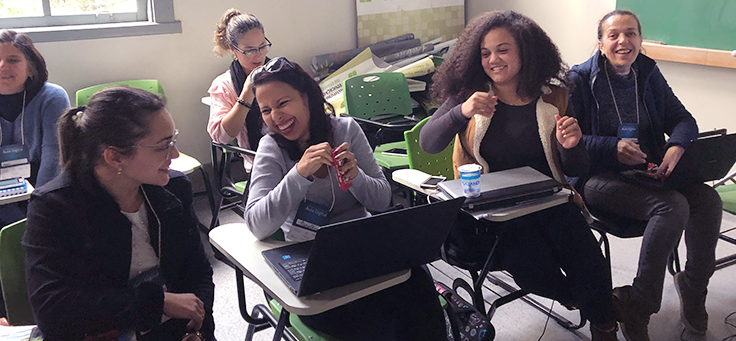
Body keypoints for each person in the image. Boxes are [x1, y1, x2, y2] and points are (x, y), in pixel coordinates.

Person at [420, 11, 619, 340]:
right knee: (532, 268)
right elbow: (429, 143)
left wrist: (570, 146)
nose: (493, 60)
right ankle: (593, 302)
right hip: (496, 211)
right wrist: (463, 111)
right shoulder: (470, 95)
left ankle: (604, 324)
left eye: (503, 49)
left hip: (549, 199)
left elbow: (576, 168)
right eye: (485, 53)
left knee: (586, 255)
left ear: (525, 51)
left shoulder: (554, 96)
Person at [243, 57, 445, 340]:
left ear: (306, 98)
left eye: (282, 103)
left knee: (417, 286)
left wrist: (358, 178)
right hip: (310, 261)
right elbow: (256, 224)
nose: (275, 116)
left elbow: (381, 200)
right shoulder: (271, 148)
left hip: (361, 246)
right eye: (266, 110)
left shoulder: (345, 130)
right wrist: (298, 174)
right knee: (374, 319)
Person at [568, 10, 722, 340]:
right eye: (614, 35)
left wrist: (676, 146)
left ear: (640, 39)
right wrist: (612, 147)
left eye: (631, 33)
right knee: (672, 206)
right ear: (600, 43)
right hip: (598, 178)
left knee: (708, 199)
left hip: (647, 173)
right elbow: (568, 140)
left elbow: (684, 120)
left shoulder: (648, 73)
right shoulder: (578, 79)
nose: (623, 41)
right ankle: (640, 304)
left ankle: (693, 289)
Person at [23, 87, 215, 341]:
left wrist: (198, 330)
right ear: (115, 157)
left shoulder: (173, 189)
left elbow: (198, 272)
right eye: (163, 146)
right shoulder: (55, 206)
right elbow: (54, 309)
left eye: (173, 140)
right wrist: (159, 302)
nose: (175, 155)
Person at [0, 29, 69, 325]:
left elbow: (54, 161)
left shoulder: (52, 97)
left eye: (12, 60)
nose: (3, 67)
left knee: (27, 229)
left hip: (42, 189)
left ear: (31, 66)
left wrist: (37, 208)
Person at [208, 8, 271, 168]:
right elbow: (220, 138)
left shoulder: (280, 71)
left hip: (295, 152)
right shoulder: (223, 85)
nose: (258, 55)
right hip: (260, 162)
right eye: (249, 50)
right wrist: (246, 93)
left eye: (262, 46)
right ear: (233, 49)